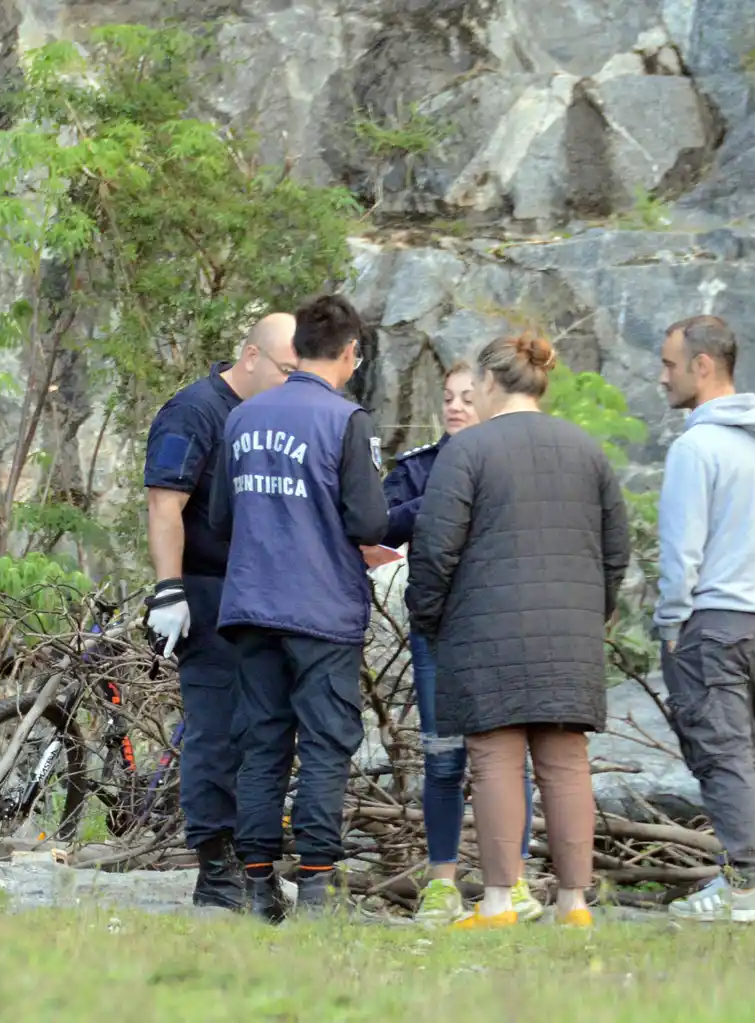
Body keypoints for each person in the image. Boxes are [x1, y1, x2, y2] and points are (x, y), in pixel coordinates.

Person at [407, 332, 629, 930]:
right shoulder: (588, 450)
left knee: (495, 758)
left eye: (474, 385)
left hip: (484, 632)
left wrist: (429, 616)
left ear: (491, 383)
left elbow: (434, 548)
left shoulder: (469, 450)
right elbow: (616, 551)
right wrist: (595, 614)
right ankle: (575, 904)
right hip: (573, 636)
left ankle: (501, 901)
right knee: (565, 762)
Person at [208, 293, 389, 921]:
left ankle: (258, 888)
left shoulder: (242, 418)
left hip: (253, 606)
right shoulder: (346, 420)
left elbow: (221, 518)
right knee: (324, 745)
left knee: (261, 746)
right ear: (349, 354)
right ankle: (316, 888)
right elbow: (369, 519)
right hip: (321, 612)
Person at [143, 312, 299, 911]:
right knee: (214, 730)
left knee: (257, 732)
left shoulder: (268, 417)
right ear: (251, 356)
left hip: (257, 594)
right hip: (206, 592)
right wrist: (169, 589)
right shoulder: (197, 411)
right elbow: (165, 503)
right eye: (287, 369)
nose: (292, 382)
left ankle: (253, 862)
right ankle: (216, 867)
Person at [653, 315, 755, 923]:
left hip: (715, 622)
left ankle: (741, 887)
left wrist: (669, 625)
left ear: (703, 365)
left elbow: (680, 550)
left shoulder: (697, 445)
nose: (662, 377)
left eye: (669, 364)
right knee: (743, 750)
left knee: (721, 753)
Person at [382, 363, 542, 925]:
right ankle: (442, 883)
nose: (454, 406)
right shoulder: (420, 467)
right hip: (436, 632)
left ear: (491, 399)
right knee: (442, 758)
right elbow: (379, 524)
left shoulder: (515, 461)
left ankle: (514, 881)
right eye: (447, 397)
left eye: (466, 397)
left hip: (501, 628)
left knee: (506, 760)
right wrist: (442, 499)